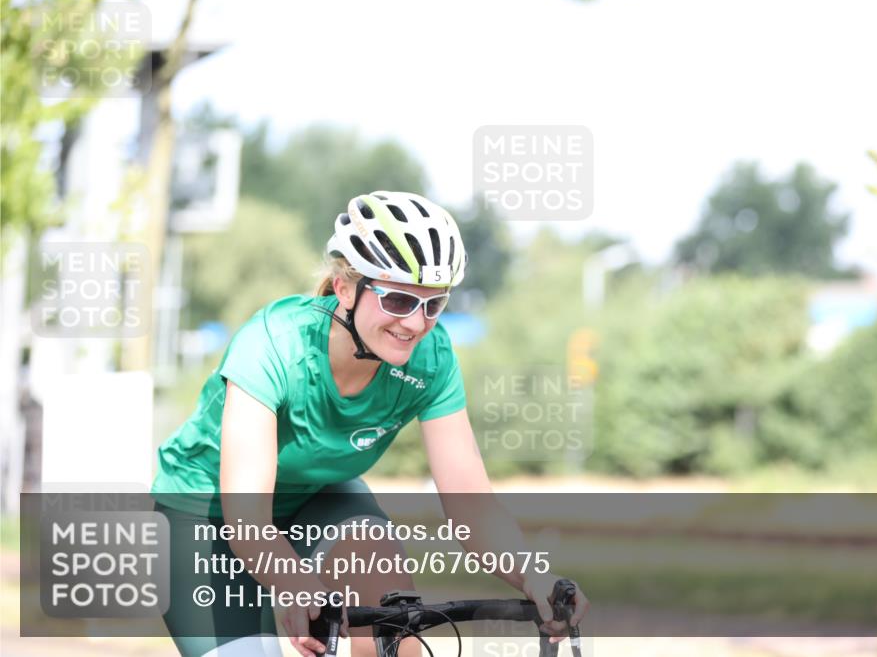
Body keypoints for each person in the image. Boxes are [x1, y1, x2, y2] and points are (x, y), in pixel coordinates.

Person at [151, 191, 589, 657]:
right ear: (344, 287)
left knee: (392, 631)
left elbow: (472, 508)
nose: (417, 324)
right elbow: (249, 518)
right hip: (208, 511)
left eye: (434, 304)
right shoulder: (273, 343)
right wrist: (292, 580)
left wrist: (532, 574)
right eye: (399, 300)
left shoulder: (431, 359)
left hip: (320, 497)